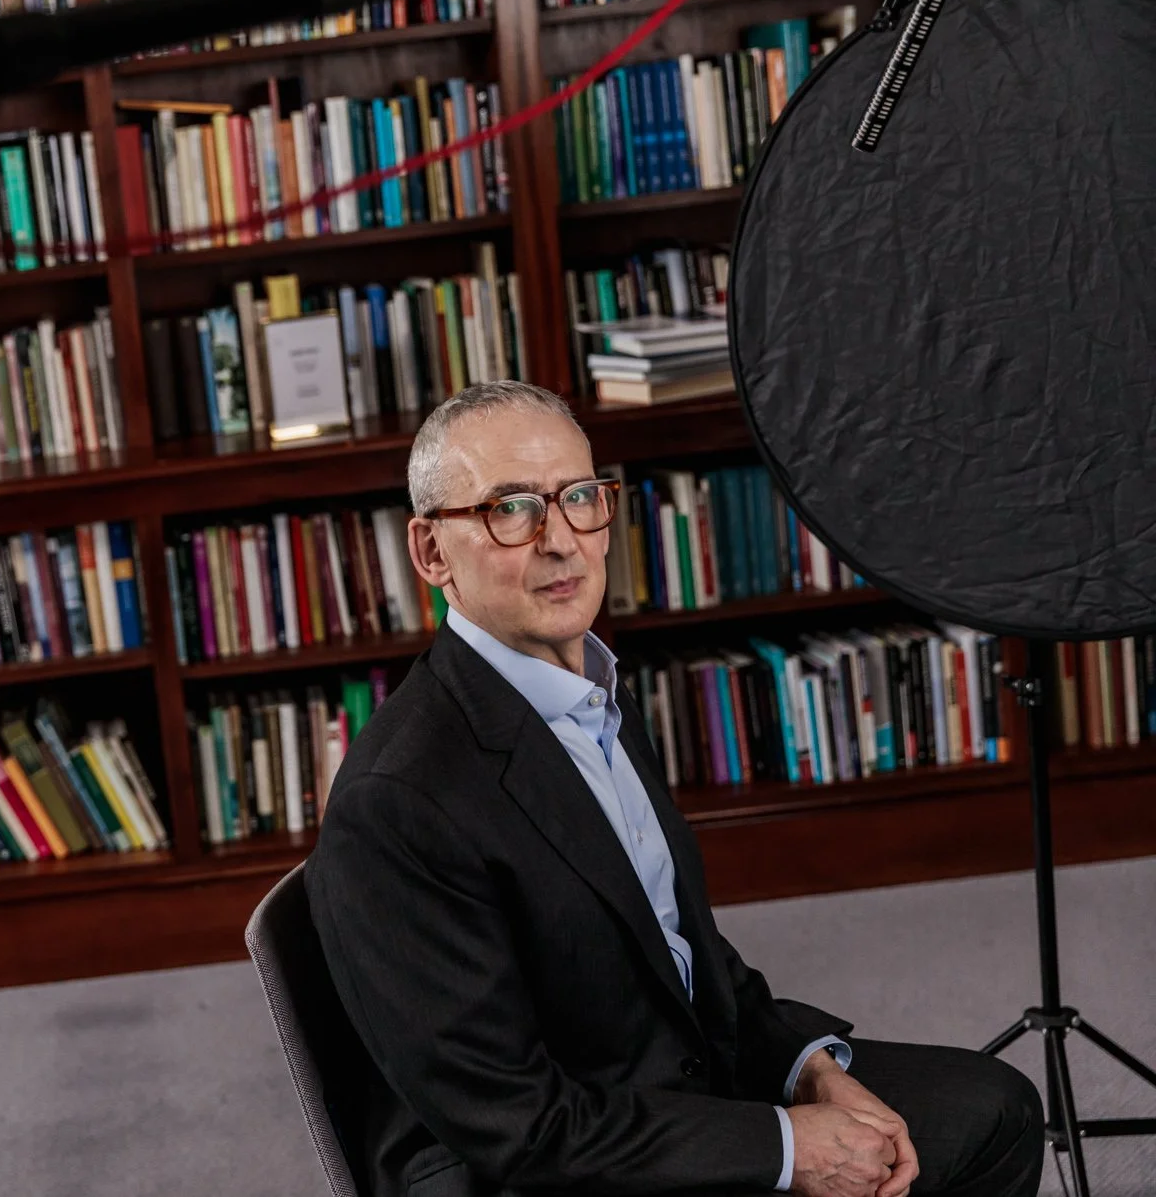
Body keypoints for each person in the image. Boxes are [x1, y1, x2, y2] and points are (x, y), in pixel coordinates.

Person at [306, 381, 1044, 1197]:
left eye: (580, 497)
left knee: (995, 1108)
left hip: (670, 1079)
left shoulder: (593, 690)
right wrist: (787, 1147)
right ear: (432, 551)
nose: (561, 541)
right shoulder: (396, 802)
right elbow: (519, 1127)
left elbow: (681, 955)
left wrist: (807, 1069)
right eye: (510, 508)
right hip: (553, 1163)